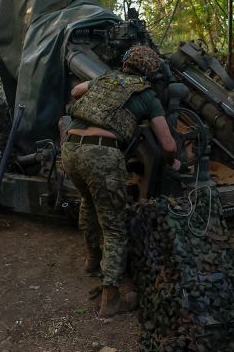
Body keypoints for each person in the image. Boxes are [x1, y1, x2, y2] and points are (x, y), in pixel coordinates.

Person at [62, 45, 181, 318]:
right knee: (114, 226)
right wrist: (172, 160)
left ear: (126, 64)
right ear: (151, 72)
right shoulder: (147, 94)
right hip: (101, 154)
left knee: (88, 203)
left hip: (70, 149)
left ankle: (92, 260)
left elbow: (76, 91)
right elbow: (167, 143)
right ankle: (112, 297)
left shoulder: (106, 78)